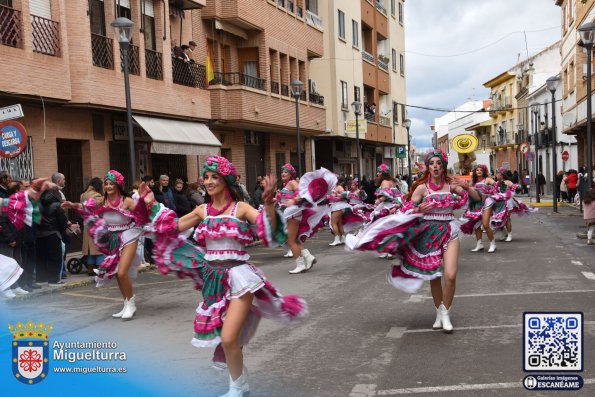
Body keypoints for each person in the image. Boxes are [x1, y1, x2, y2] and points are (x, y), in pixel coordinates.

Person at [139, 155, 307, 396]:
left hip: (240, 278)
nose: (208, 181)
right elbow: (173, 226)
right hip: (213, 280)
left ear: (226, 180)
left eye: (214, 177)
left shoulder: (242, 208)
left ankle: (237, 387)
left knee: (228, 338)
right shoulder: (201, 210)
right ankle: (240, 382)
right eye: (206, 177)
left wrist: (269, 203)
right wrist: (150, 203)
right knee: (228, 339)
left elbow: (269, 233)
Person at [347, 149, 479, 333]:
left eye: (439, 163)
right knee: (434, 276)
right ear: (428, 167)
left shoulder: (451, 185)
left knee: (450, 275)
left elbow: (476, 198)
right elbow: (408, 209)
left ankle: (446, 313)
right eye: (432, 163)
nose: (435, 166)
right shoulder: (422, 188)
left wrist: (465, 186)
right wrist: (419, 210)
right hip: (428, 233)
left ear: (443, 167)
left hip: (449, 230)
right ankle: (438, 313)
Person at [62, 170, 144, 320]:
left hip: (129, 236)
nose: (108, 186)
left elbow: (143, 214)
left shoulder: (127, 200)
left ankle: (131, 304)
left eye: (111, 183)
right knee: (117, 274)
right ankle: (126, 303)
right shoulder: (101, 201)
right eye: (106, 183)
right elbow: (85, 206)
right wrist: (71, 205)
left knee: (121, 272)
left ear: (118, 184)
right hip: (113, 238)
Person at [278, 164, 336, 272]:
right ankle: (308, 257)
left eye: (286, 172)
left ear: (291, 174)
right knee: (295, 239)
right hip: (291, 213)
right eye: (282, 171)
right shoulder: (287, 184)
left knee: (290, 240)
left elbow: (301, 194)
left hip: (293, 214)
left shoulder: (292, 183)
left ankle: (300, 265)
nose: (283, 173)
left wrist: (293, 201)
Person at [460, 164, 495, 252]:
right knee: (476, 225)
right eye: (477, 170)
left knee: (485, 224)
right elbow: (467, 190)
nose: (479, 171)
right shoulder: (473, 182)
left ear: (484, 171)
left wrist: (489, 193)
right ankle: (479, 244)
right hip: (476, 204)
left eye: (481, 170)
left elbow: (496, 186)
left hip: (487, 202)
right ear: (475, 172)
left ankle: (493, 243)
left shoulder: (487, 179)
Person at [80, 177, 105, 276]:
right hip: (97, 224)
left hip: (87, 223)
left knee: (90, 249)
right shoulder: (97, 196)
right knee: (99, 248)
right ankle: (100, 268)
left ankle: (90, 269)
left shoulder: (82, 195)